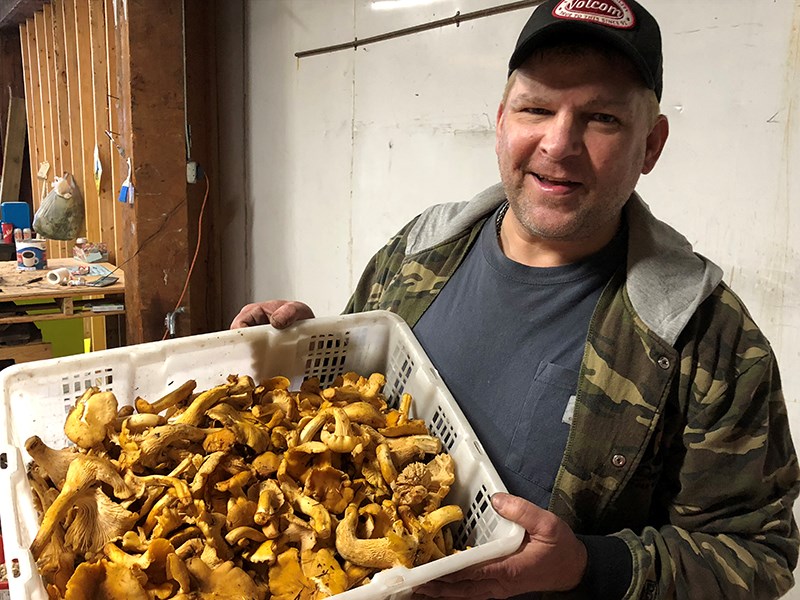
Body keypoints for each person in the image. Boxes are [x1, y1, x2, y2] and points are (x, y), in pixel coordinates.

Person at [231, 1, 800, 598]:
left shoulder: (705, 334)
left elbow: (756, 555)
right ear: (502, 120)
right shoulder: (419, 251)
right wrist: (300, 349)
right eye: (537, 108)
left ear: (651, 145)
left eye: (602, 118)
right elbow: (356, 391)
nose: (559, 143)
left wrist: (590, 567)